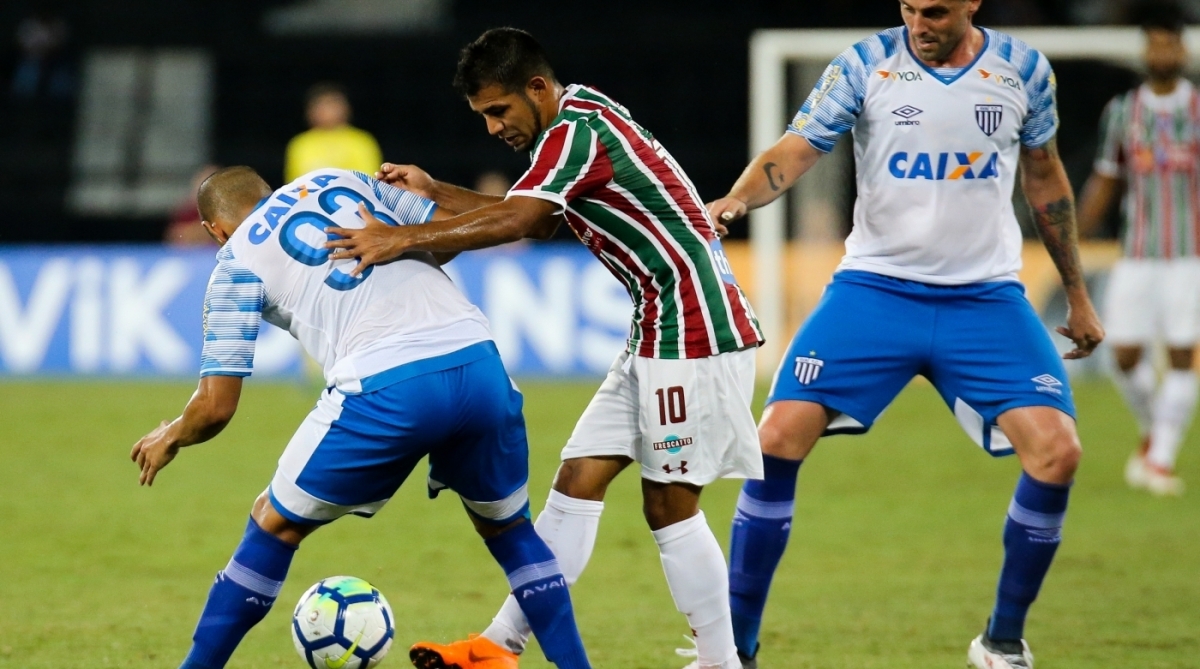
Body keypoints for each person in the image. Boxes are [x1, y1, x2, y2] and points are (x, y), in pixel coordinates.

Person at [326, 27, 764, 669]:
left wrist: (398, 239)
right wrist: (434, 191)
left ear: (537, 88)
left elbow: (525, 220)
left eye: (499, 111)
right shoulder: (575, 123)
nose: (493, 128)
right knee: (577, 480)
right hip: (657, 327)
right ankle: (498, 648)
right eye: (482, 116)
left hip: (694, 329)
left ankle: (722, 662)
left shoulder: (575, 133)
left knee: (670, 502)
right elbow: (536, 211)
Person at [705, 1, 1105, 668]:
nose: (921, 21)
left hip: (987, 299)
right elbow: (798, 147)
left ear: (972, 3)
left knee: (1059, 452)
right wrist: (739, 197)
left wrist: (1080, 294)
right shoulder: (866, 64)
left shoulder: (1024, 71)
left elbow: (1044, 175)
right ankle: (733, 651)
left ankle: (1003, 640)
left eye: (938, 11)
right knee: (772, 439)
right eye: (911, 7)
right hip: (875, 291)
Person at [128, 166, 592, 669]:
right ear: (270, 190)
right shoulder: (338, 180)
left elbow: (217, 406)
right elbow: (449, 232)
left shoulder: (235, 262)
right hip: (479, 362)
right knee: (510, 531)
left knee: (273, 524)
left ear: (214, 229)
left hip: (386, 385)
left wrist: (172, 434)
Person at [1077, 3, 1199, 497]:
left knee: (1181, 355)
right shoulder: (1124, 112)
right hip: (1137, 252)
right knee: (1123, 355)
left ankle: (1163, 459)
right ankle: (1156, 434)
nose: (1162, 51)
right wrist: (1075, 232)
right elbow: (1107, 178)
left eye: (1170, 42)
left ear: (1183, 49)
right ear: (1146, 49)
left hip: (1190, 254)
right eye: (1154, 42)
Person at [283, 83, 383, 183]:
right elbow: (293, 185)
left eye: (333, 104)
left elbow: (371, 181)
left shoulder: (362, 141)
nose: (328, 110)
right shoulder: (300, 144)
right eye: (321, 105)